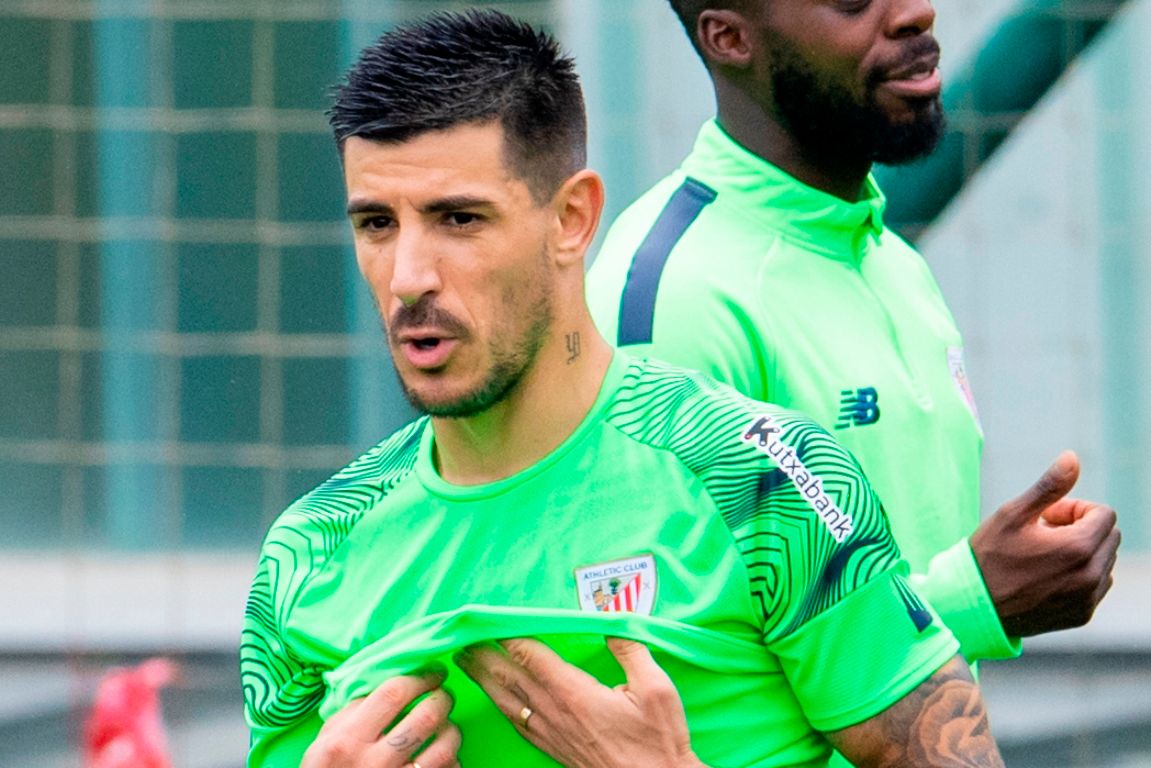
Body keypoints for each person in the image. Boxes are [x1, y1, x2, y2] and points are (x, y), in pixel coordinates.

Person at [240, 9, 1010, 768]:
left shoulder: (763, 479)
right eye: (376, 224)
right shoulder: (307, 556)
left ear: (571, 219)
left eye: (459, 218)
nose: (408, 277)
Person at [586, 0, 1120, 666]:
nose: (915, 13)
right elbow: (658, 671)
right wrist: (969, 602)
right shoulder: (675, 297)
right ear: (728, 37)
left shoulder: (889, 261)